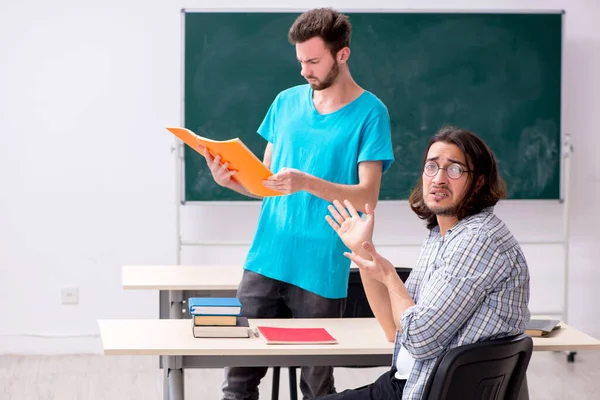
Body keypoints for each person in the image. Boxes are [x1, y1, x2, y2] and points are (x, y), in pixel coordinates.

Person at [199, 8, 395, 400]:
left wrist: (305, 181)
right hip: (265, 259)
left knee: (315, 386)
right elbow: (268, 183)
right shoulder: (285, 103)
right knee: (236, 383)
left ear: (342, 55)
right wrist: (231, 182)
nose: (305, 70)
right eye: (301, 61)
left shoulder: (371, 113)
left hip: (321, 268)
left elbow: (367, 196)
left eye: (313, 61)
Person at [322, 126, 531, 399]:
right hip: (407, 383)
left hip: (429, 391)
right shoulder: (442, 235)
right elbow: (394, 330)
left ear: (478, 182)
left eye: (454, 170)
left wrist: (390, 277)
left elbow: (419, 340)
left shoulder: (478, 240)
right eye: (431, 167)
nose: (439, 179)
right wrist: (364, 251)